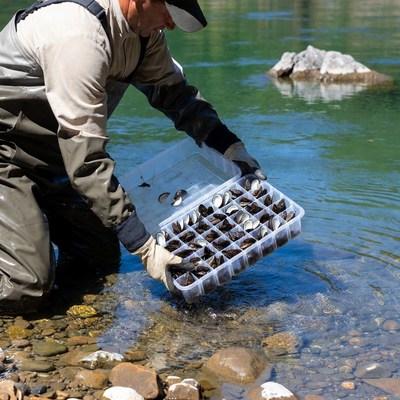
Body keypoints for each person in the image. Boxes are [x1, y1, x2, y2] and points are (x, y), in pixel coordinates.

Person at [0, 0, 266, 314]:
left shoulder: (143, 36)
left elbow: (177, 97)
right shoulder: (79, 38)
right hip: (7, 154)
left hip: (54, 157)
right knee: (26, 288)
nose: (170, 25)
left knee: (99, 257)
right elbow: (87, 162)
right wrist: (144, 247)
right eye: (168, 13)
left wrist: (232, 148)